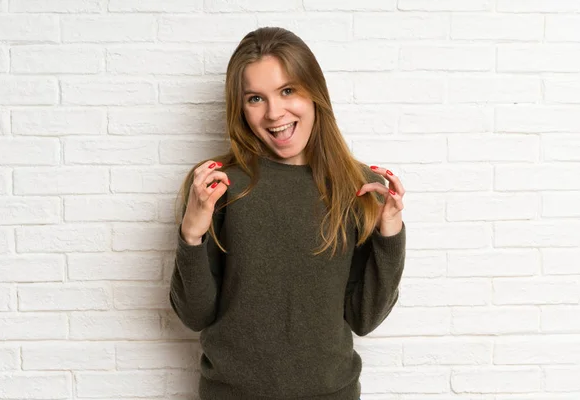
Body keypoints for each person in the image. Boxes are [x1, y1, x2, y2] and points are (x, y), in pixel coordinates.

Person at [169, 26, 406, 400]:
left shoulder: (360, 188)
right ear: (240, 108)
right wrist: (191, 235)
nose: (274, 113)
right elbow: (194, 315)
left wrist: (389, 235)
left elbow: (364, 318)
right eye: (255, 98)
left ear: (314, 92)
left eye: (287, 90)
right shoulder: (216, 187)